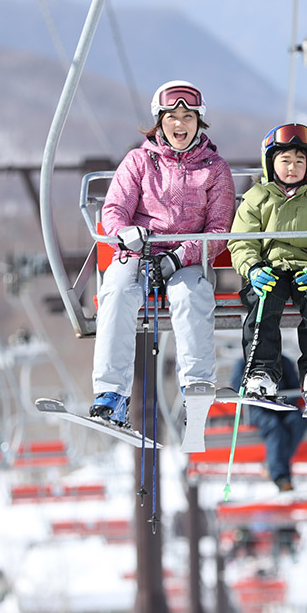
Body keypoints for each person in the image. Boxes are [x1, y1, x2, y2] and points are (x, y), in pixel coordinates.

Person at [89, 80, 236, 425]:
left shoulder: (215, 169)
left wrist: (179, 256)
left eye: (188, 116)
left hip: (188, 259)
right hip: (140, 253)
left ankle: (196, 389)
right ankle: (111, 394)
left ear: (199, 123)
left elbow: (219, 230)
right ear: (160, 122)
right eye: (172, 117)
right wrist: (126, 235)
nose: (179, 124)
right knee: (117, 292)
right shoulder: (139, 162)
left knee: (190, 294)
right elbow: (113, 210)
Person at [228, 123, 307, 411]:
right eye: (285, 160)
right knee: (264, 301)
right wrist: (253, 269)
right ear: (271, 163)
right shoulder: (257, 199)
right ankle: (261, 371)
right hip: (270, 267)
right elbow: (241, 242)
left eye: (299, 161)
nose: (292, 167)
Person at [231, 355, 307, 491]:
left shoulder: (283, 361)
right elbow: (238, 388)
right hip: (257, 408)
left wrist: (281, 399)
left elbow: (294, 386)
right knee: (274, 426)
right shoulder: (243, 362)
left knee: (298, 421)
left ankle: (276, 468)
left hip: (282, 405)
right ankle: (280, 475)